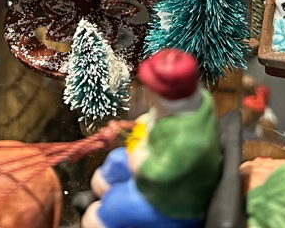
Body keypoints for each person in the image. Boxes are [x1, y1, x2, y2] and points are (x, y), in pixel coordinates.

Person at [84, 48, 222, 228]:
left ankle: (107, 215)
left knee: (113, 206)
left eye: (150, 88)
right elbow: (160, 118)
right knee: (116, 160)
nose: (146, 91)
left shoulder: (188, 141)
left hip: (175, 204)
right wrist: (146, 122)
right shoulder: (194, 102)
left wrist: (138, 157)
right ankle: (107, 193)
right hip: (159, 165)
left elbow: (160, 172)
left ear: (162, 95)